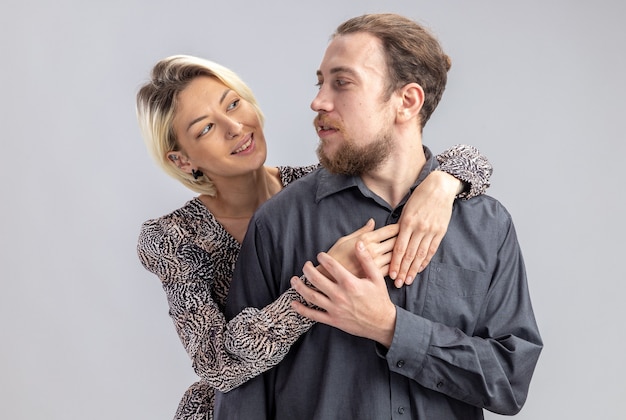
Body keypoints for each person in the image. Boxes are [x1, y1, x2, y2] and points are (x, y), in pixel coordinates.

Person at [215, 13, 542, 420]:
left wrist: (390, 328)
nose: (318, 102)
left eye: (342, 82)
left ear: (407, 101)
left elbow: (508, 382)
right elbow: (239, 389)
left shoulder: (486, 226)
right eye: (320, 83)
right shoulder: (280, 222)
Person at [135, 54, 493, 419]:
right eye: (205, 128)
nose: (235, 127)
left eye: (234, 104)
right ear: (182, 161)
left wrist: (444, 183)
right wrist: (321, 282)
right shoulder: (173, 237)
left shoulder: (317, 189)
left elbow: (463, 159)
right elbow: (215, 362)